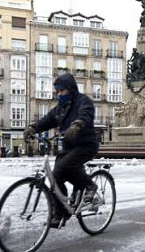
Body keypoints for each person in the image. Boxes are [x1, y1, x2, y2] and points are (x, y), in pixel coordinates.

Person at [24, 73, 99, 228]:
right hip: (69, 146)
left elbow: (86, 114)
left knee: (64, 167)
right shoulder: (60, 108)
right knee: (56, 177)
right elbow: (47, 120)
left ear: (70, 89)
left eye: (62, 90)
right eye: (57, 91)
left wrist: (77, 125)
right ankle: (60, 213)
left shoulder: (83, 101)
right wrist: (33, 128)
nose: (59, 94)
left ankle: (89, 186)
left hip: (86, 145)